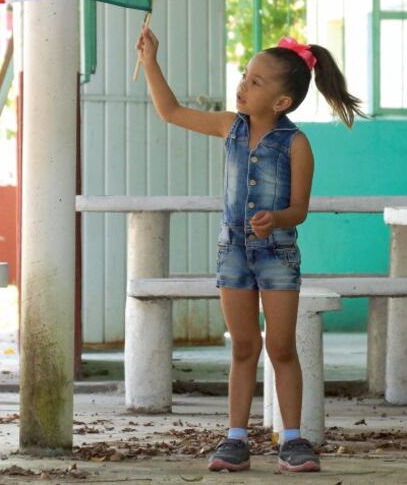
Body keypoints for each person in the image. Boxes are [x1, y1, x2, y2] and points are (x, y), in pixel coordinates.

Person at [136, 25, 363, 473]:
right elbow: (171, 111)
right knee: (243, 346)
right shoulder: (229, 127)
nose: (242, 84)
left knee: (281, 347)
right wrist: (150, 61)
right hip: (233, 253)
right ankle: (235, 438)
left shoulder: (297, 144)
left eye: (255, 82)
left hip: (277, 255)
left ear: (281, 102)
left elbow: (299, 209)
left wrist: (275, 218)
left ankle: (293, 440)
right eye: (244, 75)